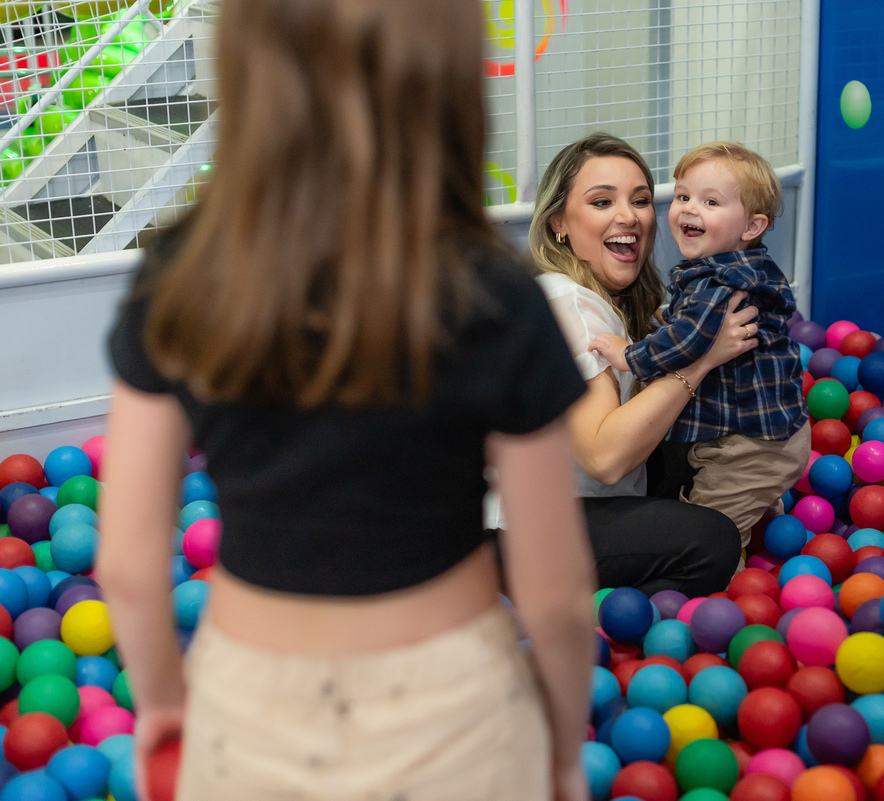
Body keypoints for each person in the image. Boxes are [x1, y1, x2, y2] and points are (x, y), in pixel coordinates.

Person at [96, 1, 595, 800]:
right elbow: (558, 594)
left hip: (250, 704)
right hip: (455, 708)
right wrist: (564, 745)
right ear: (444, 80)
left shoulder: (183, 280)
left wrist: (160, 701)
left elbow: (125, 565)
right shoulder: (491, 292)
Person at [525, 132, 755, 597]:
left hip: (574, 502)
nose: (628, 216)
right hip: (532, 529)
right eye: (601, 201)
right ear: (558, 224)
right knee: (713, 540)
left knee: (708, 453)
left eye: (641, 200)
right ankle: (615, 617)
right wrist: (701, 360)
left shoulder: (607, 300)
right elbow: (605, 459)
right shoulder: (568, 302)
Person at [591, 141, 811, 550]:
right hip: (762, 437)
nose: (690, 208)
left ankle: (726, 589)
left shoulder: (719, 281)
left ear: (751, 227)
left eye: (711, 201)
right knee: (719, 493)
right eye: (683, 196)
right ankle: (761, 504)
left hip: (749, 448)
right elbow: (692, 325)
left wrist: (629, 356)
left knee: (710, 531)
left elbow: (690, 339)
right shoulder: (733, 269)